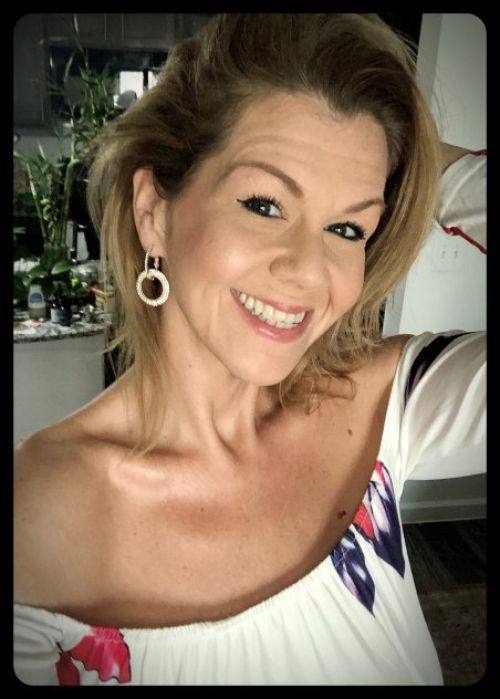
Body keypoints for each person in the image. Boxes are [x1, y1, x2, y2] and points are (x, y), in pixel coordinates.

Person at [13, 13, 486, 686]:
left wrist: (423, 170)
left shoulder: (387, 406)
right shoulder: (33, 520)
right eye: (264, 204)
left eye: (348, 227)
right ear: (154, 212)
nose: (309, 272)